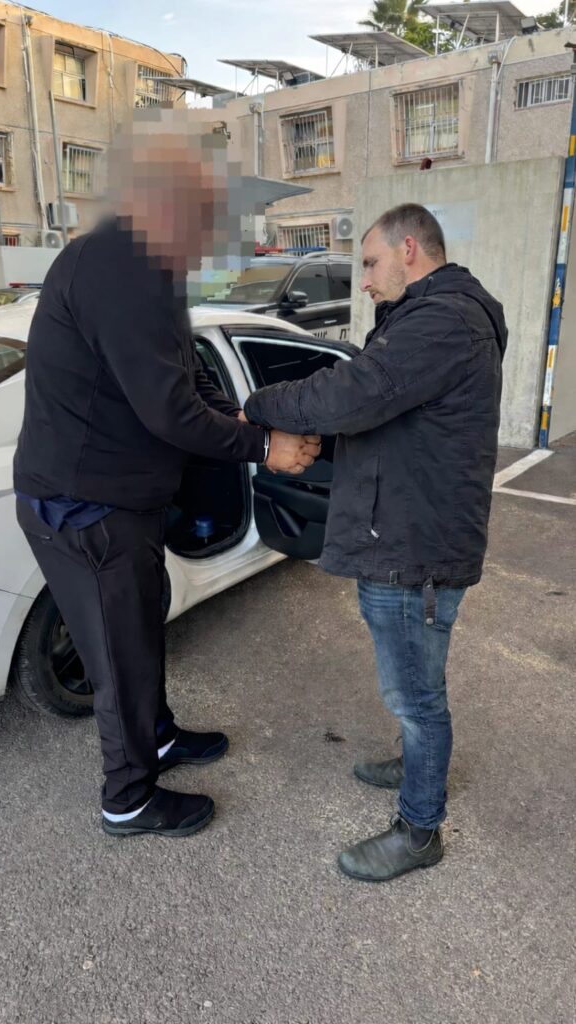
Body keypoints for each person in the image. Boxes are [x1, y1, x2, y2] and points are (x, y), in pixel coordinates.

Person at [13, 121, 320, 839]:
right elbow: (169, 412)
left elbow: (183, 378)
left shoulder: (144, 266)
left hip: (120, 502)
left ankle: (156, 737)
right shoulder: (119, 267)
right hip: (86, 508)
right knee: (120, 657)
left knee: (140, 635)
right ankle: (128, 798)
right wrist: (263, 447)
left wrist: (239, 414)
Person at [244, 204, 507, 881]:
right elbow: (387, 414)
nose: (362, 281)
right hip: (410, 535)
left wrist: (257, 405)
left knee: (416, 699)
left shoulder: (441, 322)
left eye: (369, 263)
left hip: (413, 550)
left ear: (409, 249)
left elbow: (347, 397)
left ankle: (419, 831)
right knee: (415, 687)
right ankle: (415, 762)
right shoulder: (437, 317)